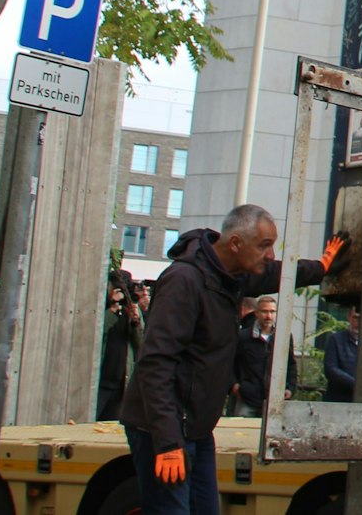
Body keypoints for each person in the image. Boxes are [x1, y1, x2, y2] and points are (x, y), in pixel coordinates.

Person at [119, 204, 345, 515]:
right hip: (163, 428)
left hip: (195, 427)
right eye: (263, 245)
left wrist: (321, 267)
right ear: (236, 243)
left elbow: (277, 274)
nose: (269, 255)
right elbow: (154, 364)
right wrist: (168, 442)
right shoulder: (185, 281)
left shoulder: (230, 275)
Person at [95, 272, 144, 421]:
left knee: (111, 425)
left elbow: (141, 344)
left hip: (121, 382)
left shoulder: (131, 309)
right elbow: (96, 333)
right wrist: (112, 309)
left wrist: (135, 322)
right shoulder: (102, 307)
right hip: (100, 381)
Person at [229, 294, 283, 417]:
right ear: (256, 313)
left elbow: (290, 364)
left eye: (272, 311)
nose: (269, 316)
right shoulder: (243, 337)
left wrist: (290, 387)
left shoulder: (283, 336)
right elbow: (230, 362)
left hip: (274, 399)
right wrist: (235, 385)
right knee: (242, 432)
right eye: (264, 311)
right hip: (247, 397)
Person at [321, 307, 360, 402]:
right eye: (355, 318)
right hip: (338, 400)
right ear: (349, 317)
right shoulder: (335, 340)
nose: (358, 323)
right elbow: (330, 369)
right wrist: (356, 384)